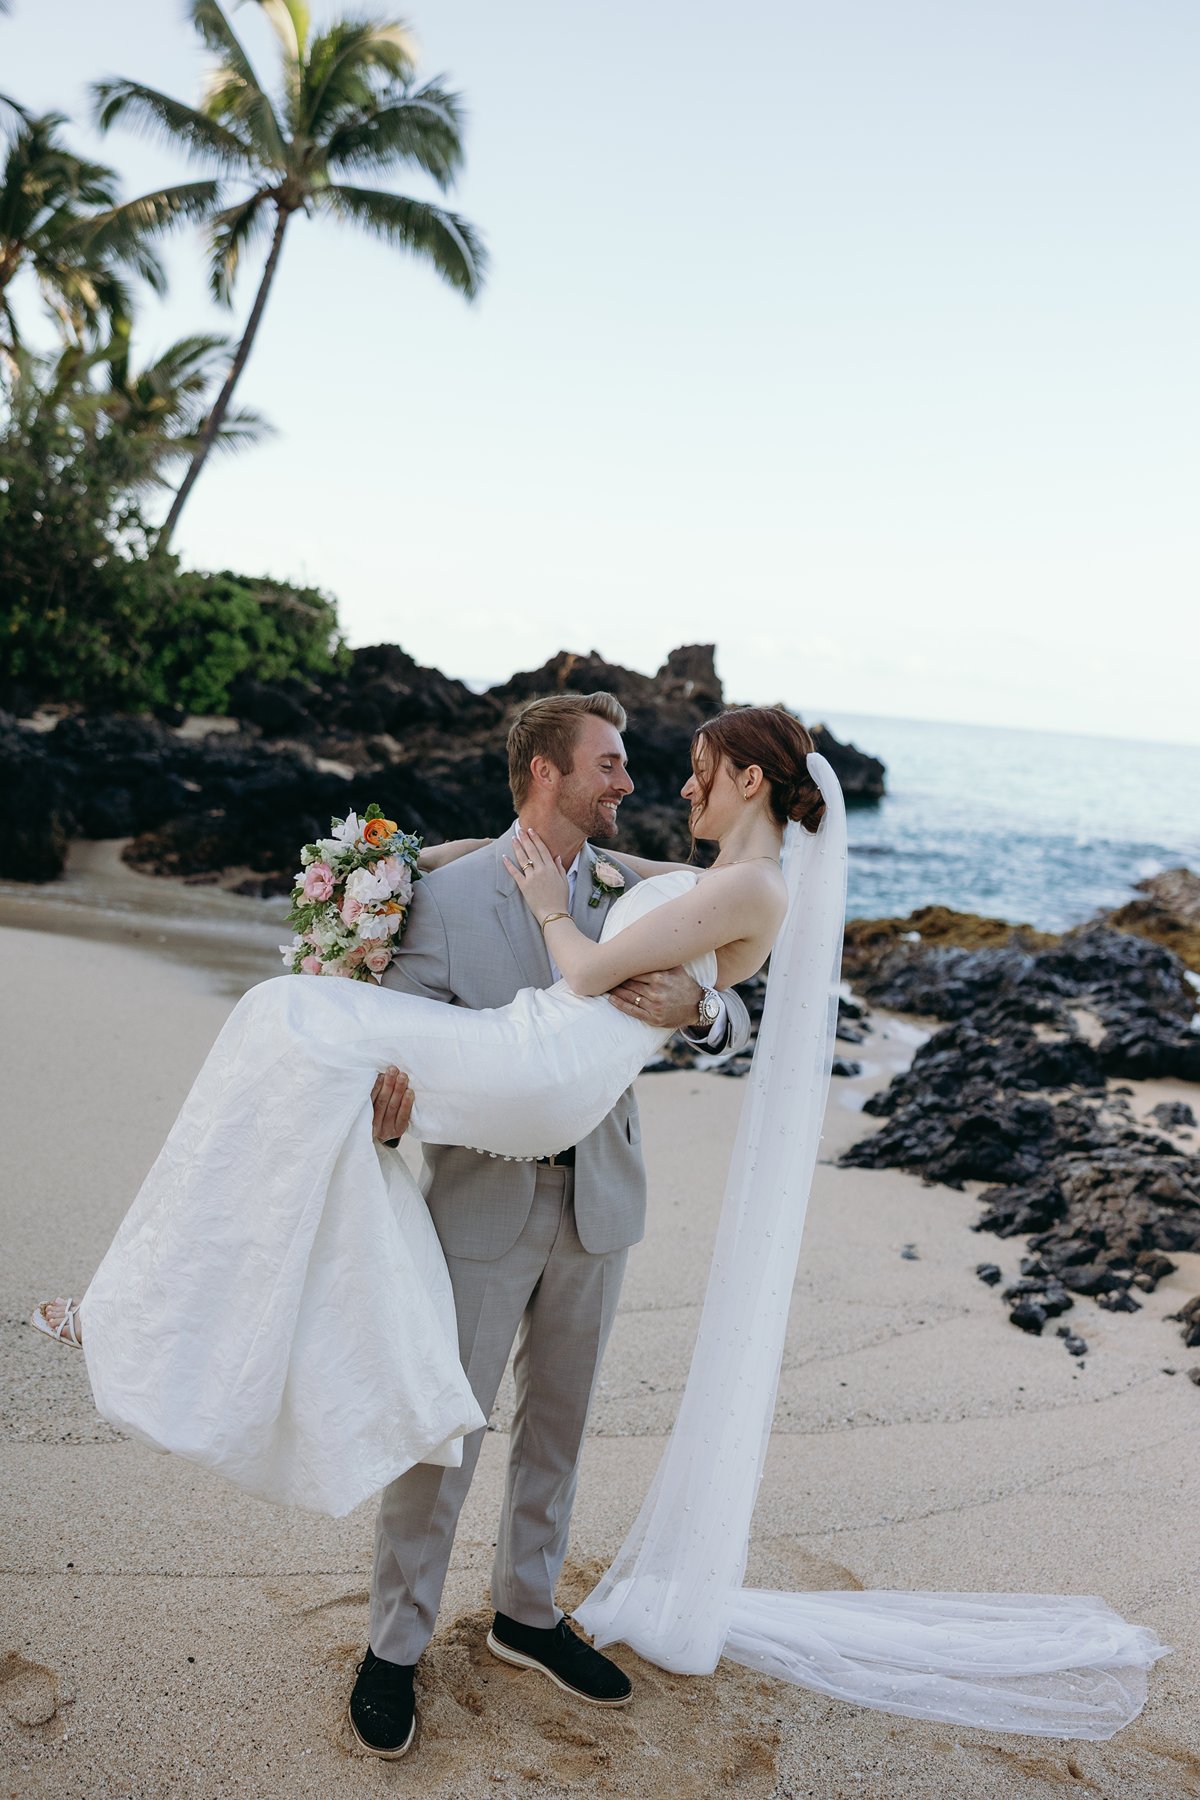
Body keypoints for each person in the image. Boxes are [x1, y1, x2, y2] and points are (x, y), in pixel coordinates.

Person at [31, 698, 1166, 1753]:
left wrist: (708, 1008)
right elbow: (405, 1038)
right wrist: (380, 1119)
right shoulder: (448, 891)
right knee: (447, 1431)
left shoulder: (630, 872)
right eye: (610, 764)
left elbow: (726, 957)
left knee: (561, 1426)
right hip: (482, 1188)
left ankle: (528, 1611)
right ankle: (395, 1642)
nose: (635, 782)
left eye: (647, 766)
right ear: (546, 771)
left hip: (601, 1186)